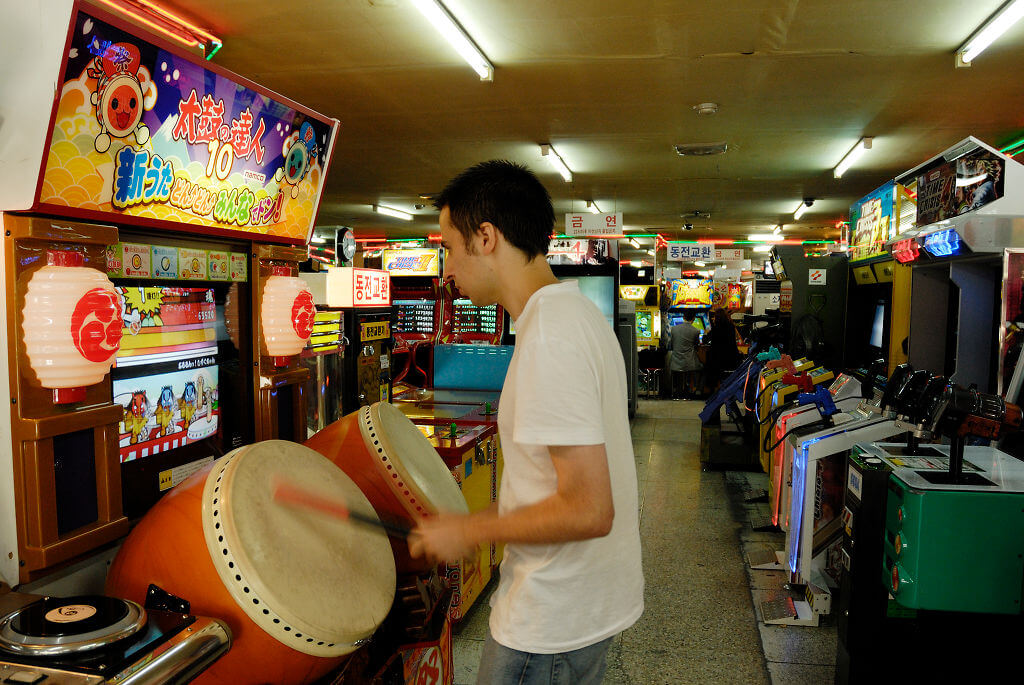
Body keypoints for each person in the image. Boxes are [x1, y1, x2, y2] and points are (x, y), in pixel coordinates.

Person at [408, 160, 643, 684]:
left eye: (448, 246)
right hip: (577, 608)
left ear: (486, 237)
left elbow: (588, 508)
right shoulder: (575, 315)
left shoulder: (550, 337)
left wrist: (470, 527)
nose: (446, 269)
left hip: (550, 623)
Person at [668, 310, 703, 399]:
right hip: (689, 362)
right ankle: (692, 391)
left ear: (683, 317)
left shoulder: (674, 329)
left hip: (675, 361)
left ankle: (676, 391)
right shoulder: (696, 331)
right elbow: (696, 346)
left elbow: (670, 345)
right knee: (701, 367)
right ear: (694, 319)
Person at [706, 308, 741, 390]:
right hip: (731, 359)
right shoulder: (731, 327)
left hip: (718, 361)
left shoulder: (716, 328)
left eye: (714, 316)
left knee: (708, 361)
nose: (713, 318)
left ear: (717, 317)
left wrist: (706, 333)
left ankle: (710, 389)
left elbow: (706, 340)